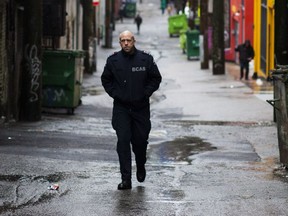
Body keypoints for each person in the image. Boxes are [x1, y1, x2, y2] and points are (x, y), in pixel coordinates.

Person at [101, 30, 162, 190]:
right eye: (123, 40)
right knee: (123, 142)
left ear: (134, 41)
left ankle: (141, 164)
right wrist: (115, 93)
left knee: (140, 142)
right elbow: (105, 79)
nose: (126, 43)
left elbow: (156, 78)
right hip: (121, 108)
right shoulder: (113, 60)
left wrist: (146, 93)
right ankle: (126, 179)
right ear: (120, 42)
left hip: (140, 108)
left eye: (128, 40)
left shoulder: (145, 59)